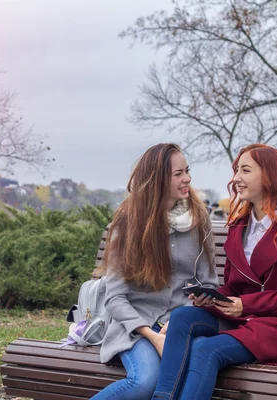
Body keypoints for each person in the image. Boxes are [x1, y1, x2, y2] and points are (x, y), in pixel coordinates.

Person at [151, 144, 277, 400]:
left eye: (245, 171)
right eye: (236, 171)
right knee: (181, 317)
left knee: (205, 349)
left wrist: (245, 305)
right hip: (242, 320)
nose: (236, 179)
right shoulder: (239, 224)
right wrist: (210, 297)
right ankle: (162, 397)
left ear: (269, 175)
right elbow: (233, 289)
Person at [92, 143, 218, 400]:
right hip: (136, 326)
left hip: (179, 326)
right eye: (179, 174)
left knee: (181, 379)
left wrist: (201, 301)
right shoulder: (128, 224)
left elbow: (209, 283)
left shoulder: (199, 219)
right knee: (145, 381)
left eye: (187, 171)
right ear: (158, 180)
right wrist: (153, 336)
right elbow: (114, 297)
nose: (188, 179)